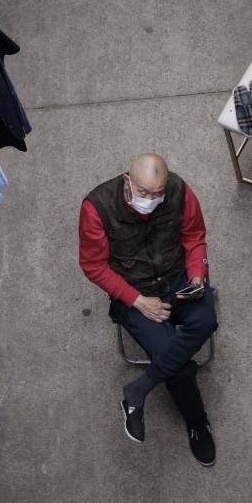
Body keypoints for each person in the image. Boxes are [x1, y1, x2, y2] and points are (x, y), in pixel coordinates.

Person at [78, 154, 218, 466]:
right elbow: (93, 266)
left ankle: (140, 387)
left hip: (177, 278)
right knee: (180, 369)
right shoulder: (97, 208)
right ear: (127, 180)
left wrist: (196, 274)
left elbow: (195, 237)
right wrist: (137, 300)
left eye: (158, 193)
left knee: (207, 320)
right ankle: (197, 422)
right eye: (144, 193)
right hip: (135, 291)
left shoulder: (180, 190)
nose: (152, 200)